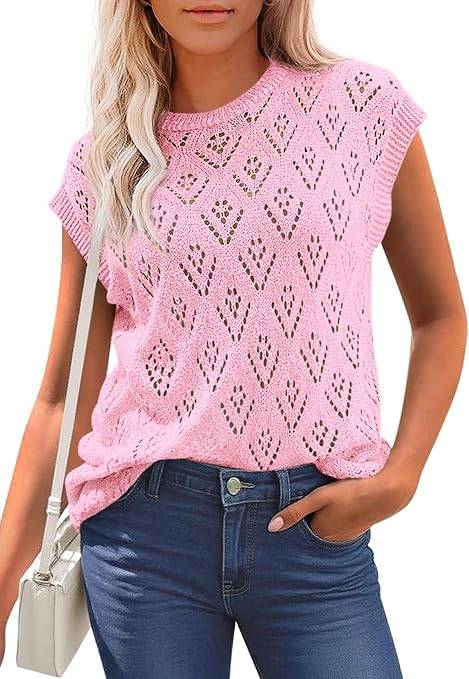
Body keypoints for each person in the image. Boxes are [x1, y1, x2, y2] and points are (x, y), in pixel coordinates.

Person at [0, 1, 466, 677]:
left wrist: (401, 477)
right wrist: (2, 584)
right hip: (144, 537)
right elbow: (60, 399)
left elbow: (440, 316)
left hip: (314, 529)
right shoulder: (104, 164)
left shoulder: (362, 106)